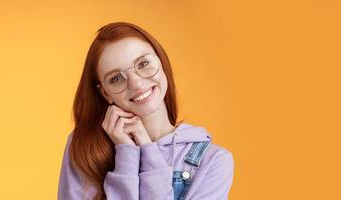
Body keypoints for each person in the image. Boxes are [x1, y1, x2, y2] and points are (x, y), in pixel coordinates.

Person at [58, 22, 234, 200]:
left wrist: (147, 149)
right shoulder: (85, 147)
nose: (136, 83)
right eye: (116, 78)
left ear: (161, 61)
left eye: (143, 64)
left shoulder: (213, 161)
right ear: (105, 93)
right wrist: (126, 152)